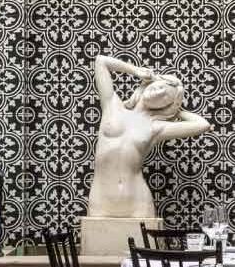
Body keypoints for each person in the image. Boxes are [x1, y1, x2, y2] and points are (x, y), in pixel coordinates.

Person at [86, 54, 211, 219]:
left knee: (145, 245)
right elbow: (101, 61)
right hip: (101, 198)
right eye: (160, 86)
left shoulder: (156, 127)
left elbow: (203, 125)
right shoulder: (112, 105)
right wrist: (136, 71)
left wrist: (177, 109)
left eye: (165, 95)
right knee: (97, 244)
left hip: (138, 201)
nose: (158, 92)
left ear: (167, 105)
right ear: (150, 83)